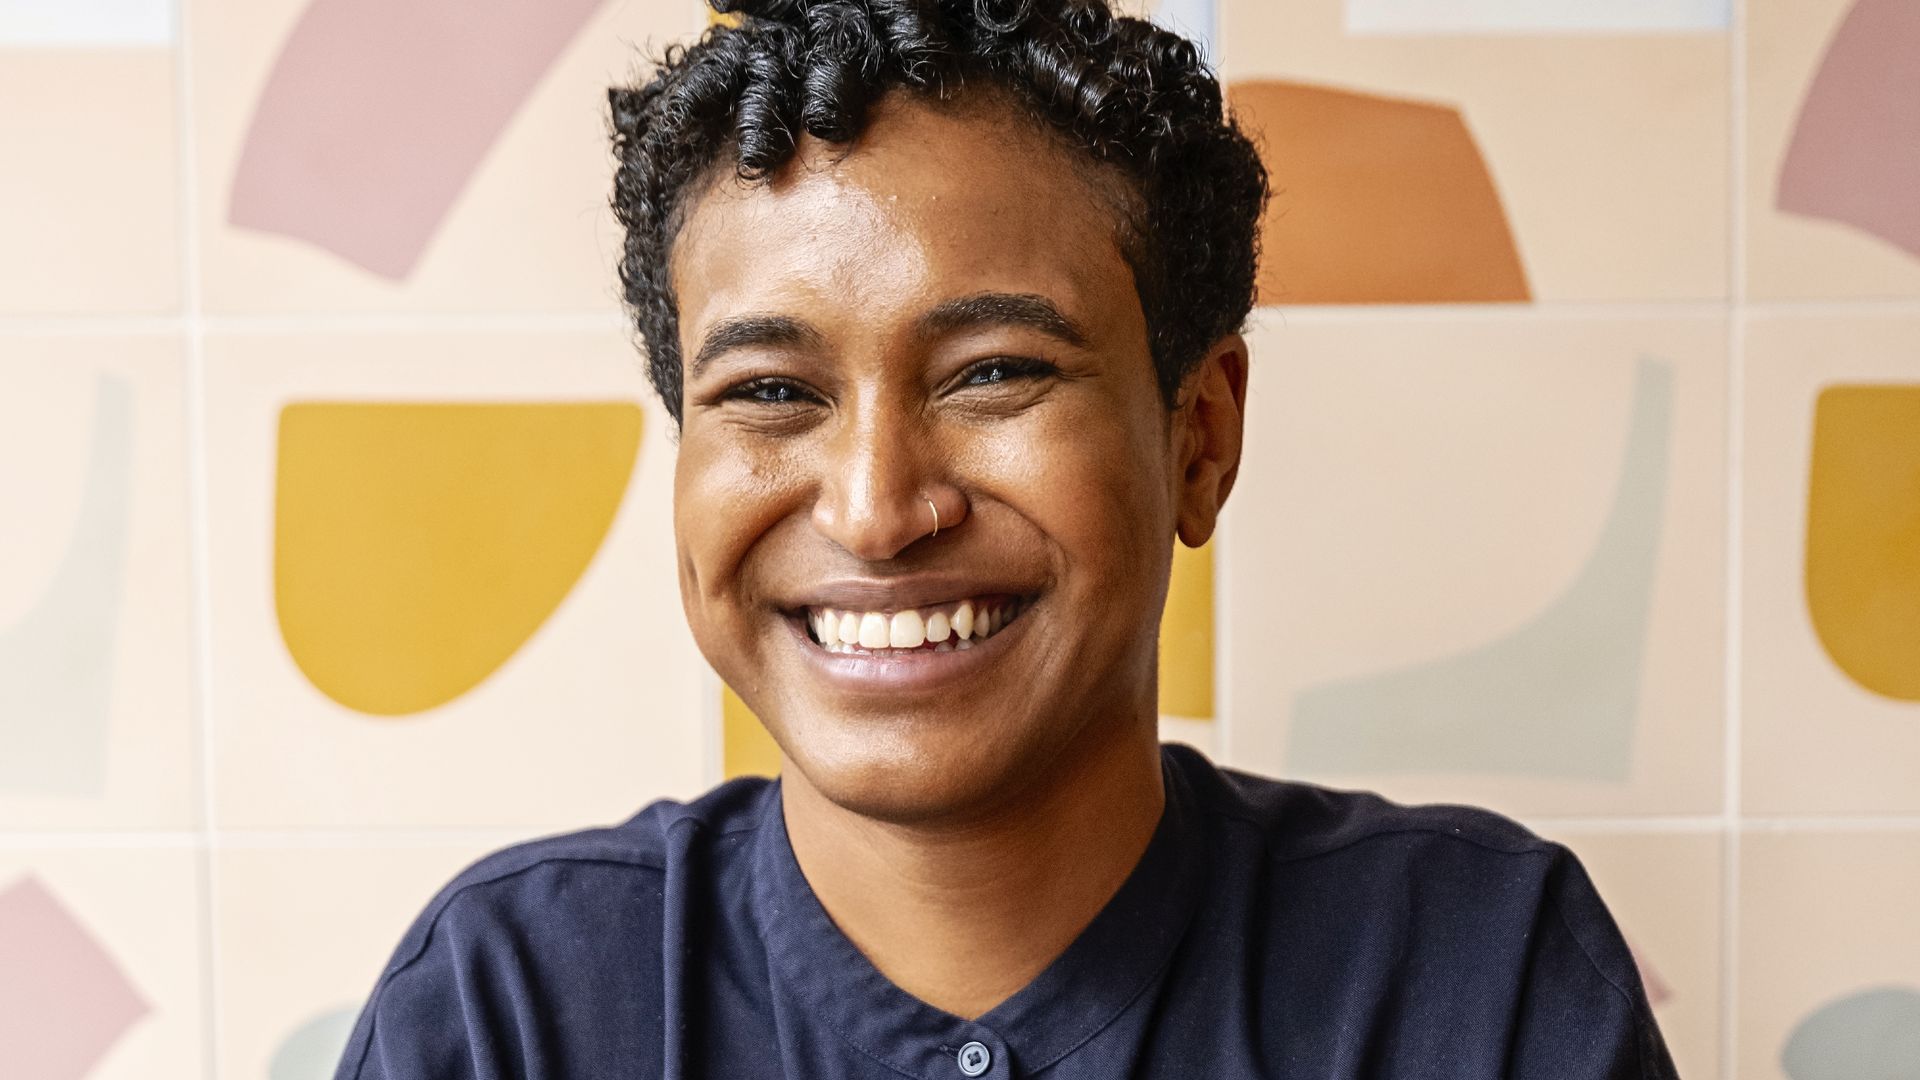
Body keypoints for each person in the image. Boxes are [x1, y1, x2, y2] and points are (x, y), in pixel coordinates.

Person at [335, 1, 1681, 1077]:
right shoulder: (509, 1009)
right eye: (772, 392)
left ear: (1200, 440)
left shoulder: (1475, 980)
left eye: (994, 374)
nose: (875, 509)